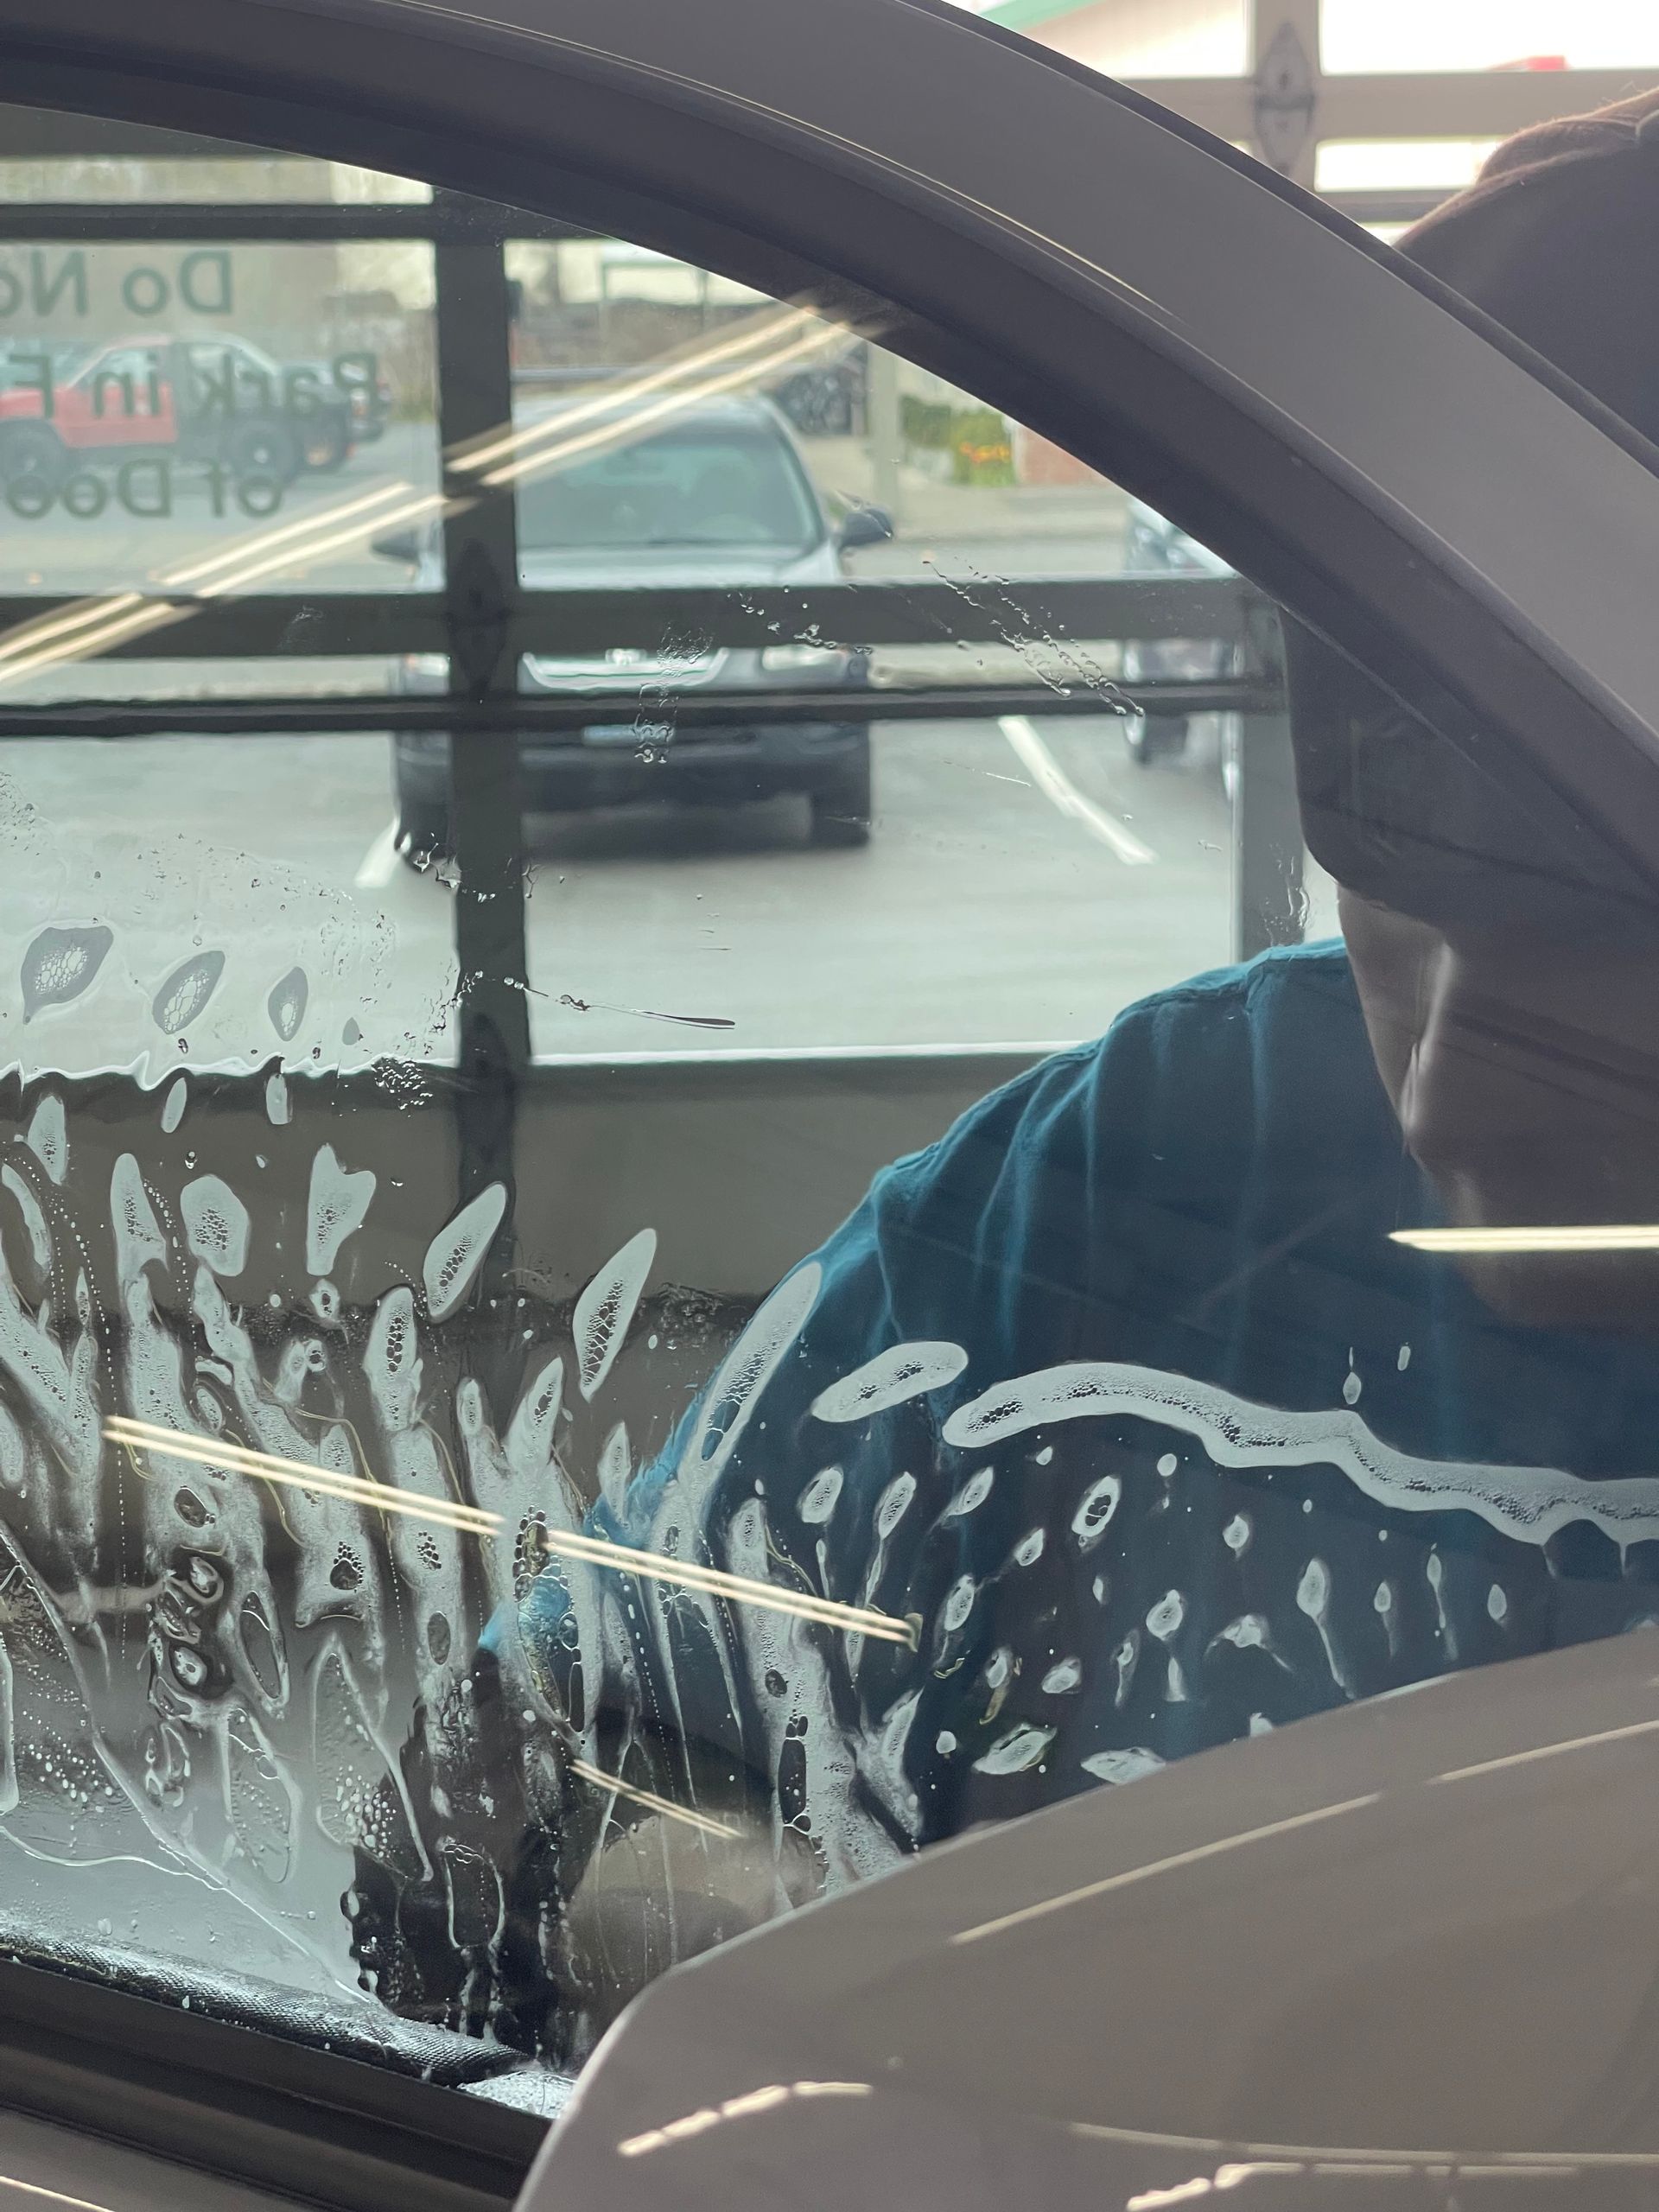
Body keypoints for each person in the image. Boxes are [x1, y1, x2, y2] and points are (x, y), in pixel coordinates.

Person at [359, 92, 1659, 2056]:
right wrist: (955, 1992)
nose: (1459, 1090)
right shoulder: (1136, 1180)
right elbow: (452, 1825)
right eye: (1395, 901)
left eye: (1622, 958)